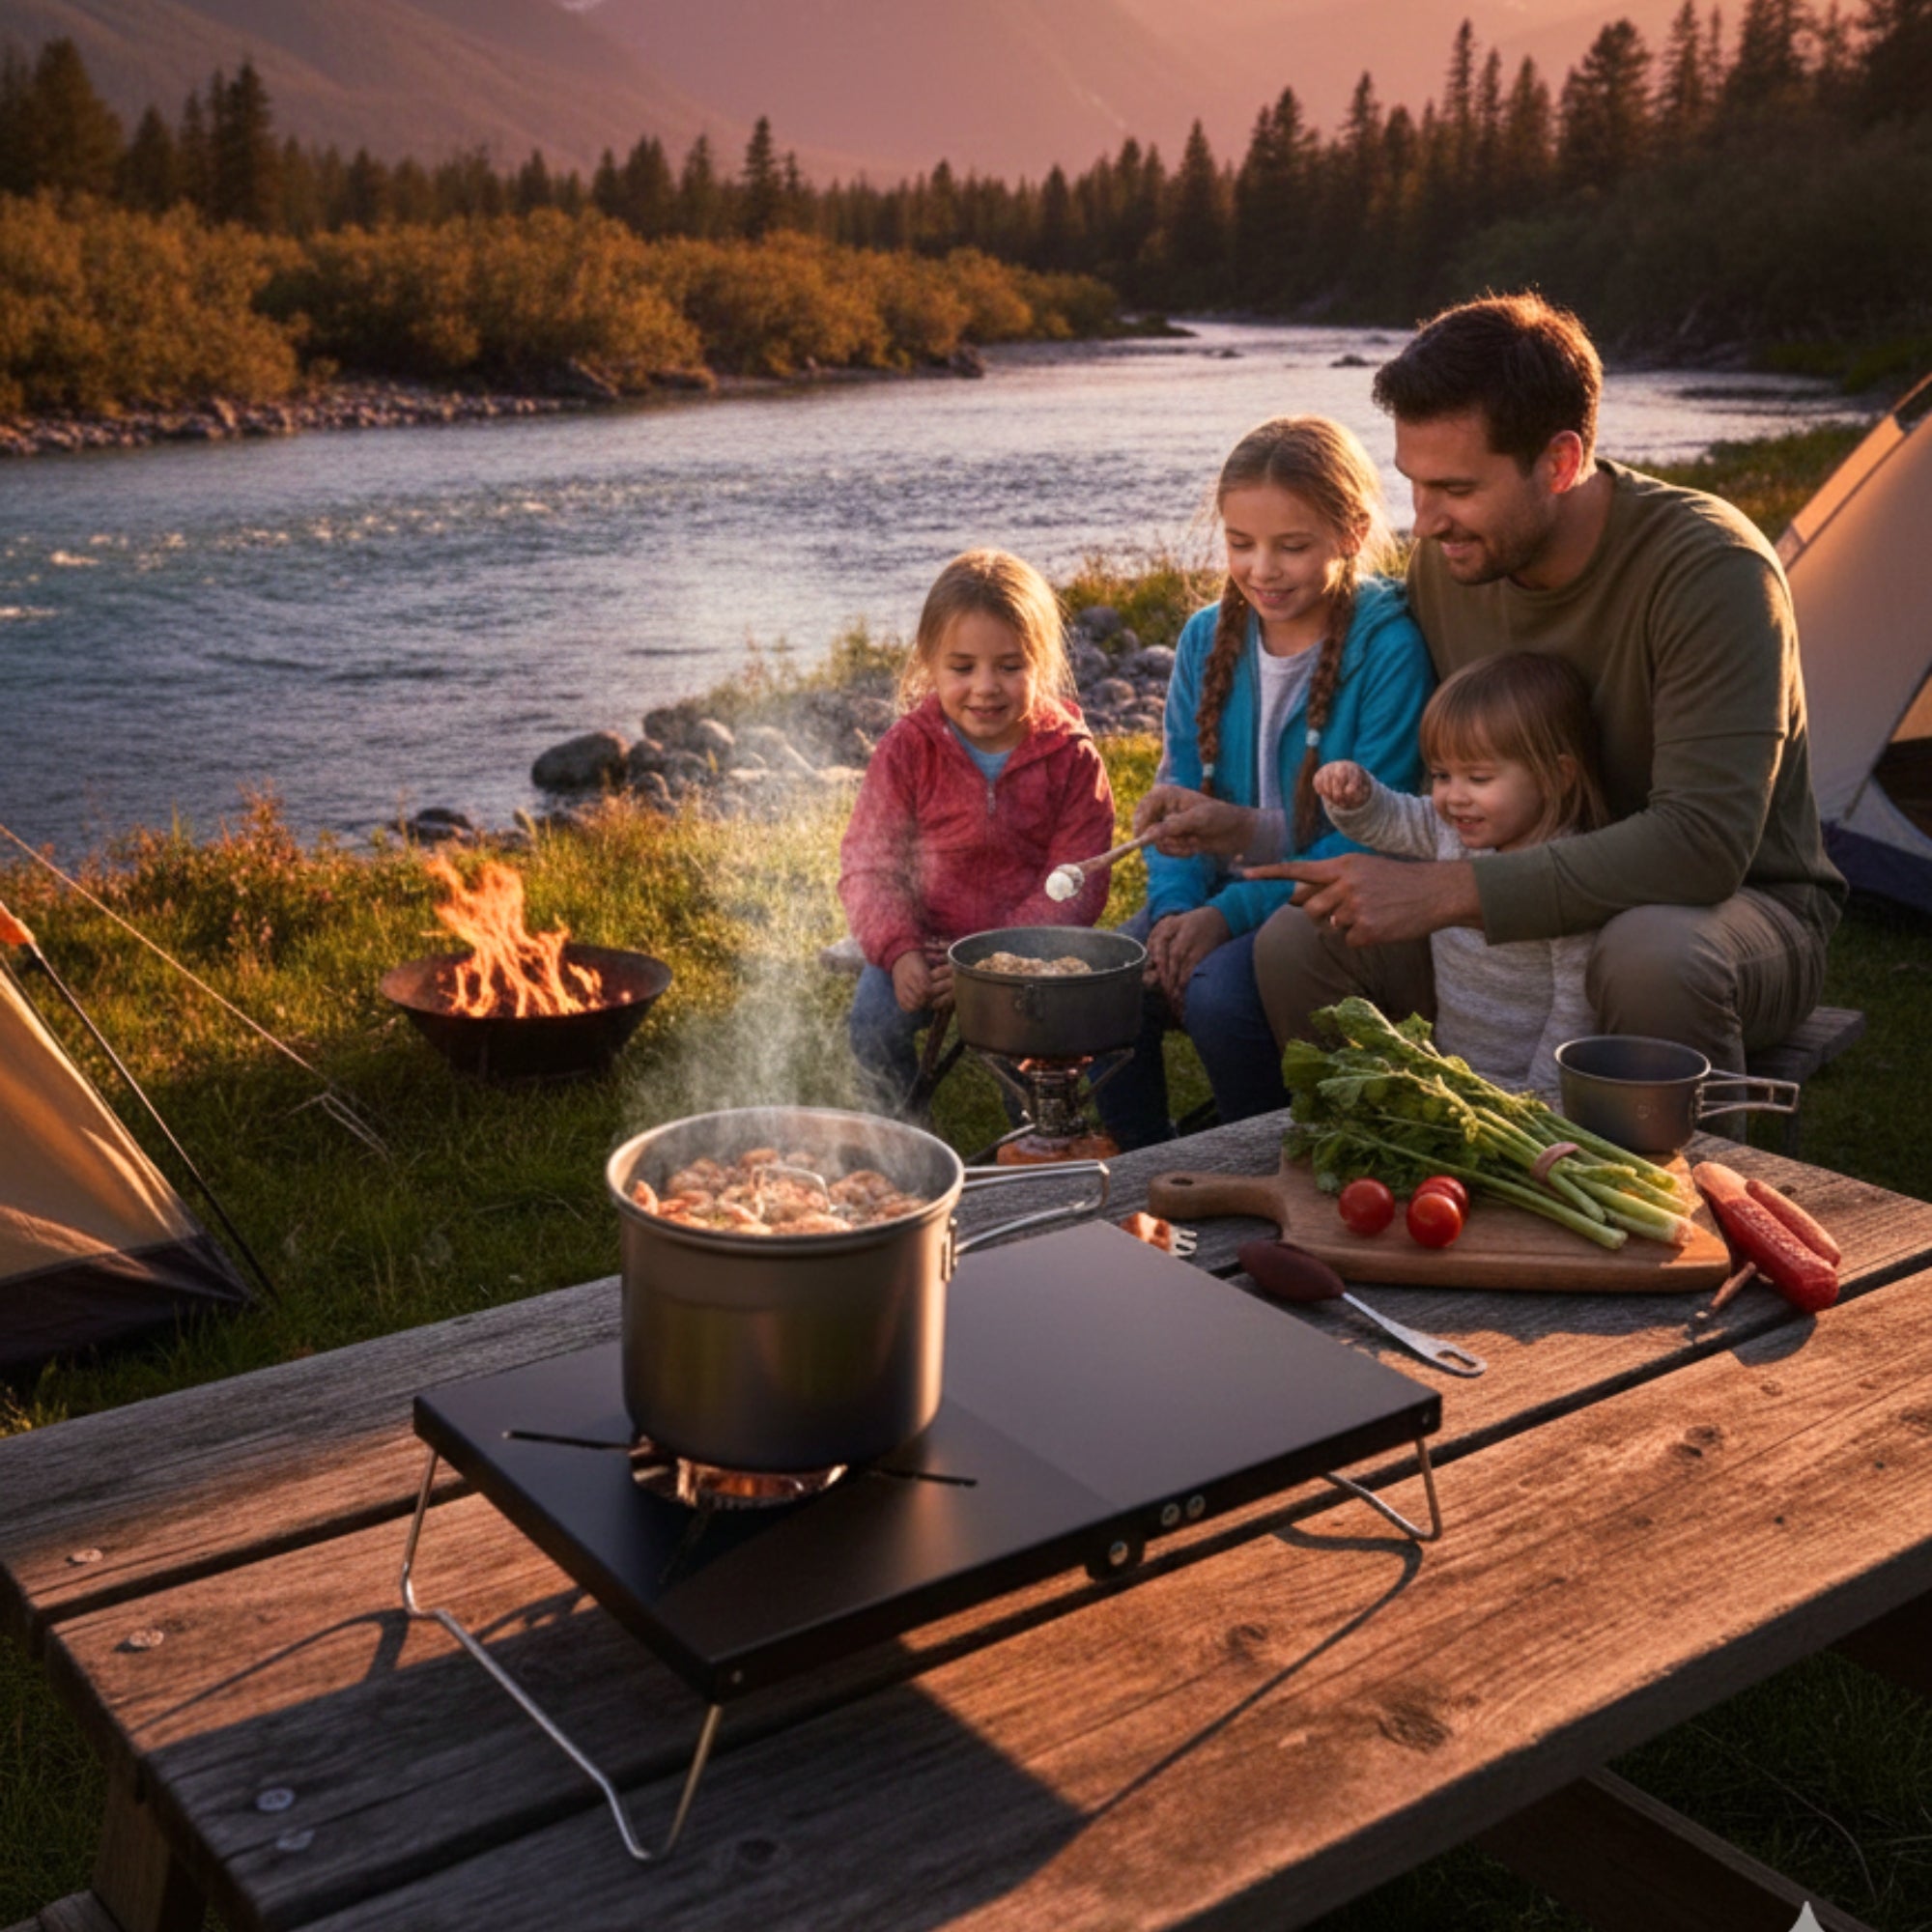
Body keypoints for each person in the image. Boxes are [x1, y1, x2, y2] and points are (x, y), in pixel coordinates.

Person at [1142, 294, 1845, 1078]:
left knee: (1649, 955)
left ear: (1561, 462)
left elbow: (1703, 848)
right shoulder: (1449, 567)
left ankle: (1677, 1195)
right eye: (1415, 483)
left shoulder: (1710, 573)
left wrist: (1450, 892)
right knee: (1302, 939)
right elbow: (1440, 781)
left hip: (1726, 909)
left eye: (1458, 489)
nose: (1424, 522)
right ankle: (1405, 1170)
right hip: (1519, 883)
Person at [1096, 415, 1435, 1149]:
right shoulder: (1204, 638)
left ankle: (1259, 1156)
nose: (1262, 570)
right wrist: (1172, 912)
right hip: (1210, 895)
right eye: (1241, 544)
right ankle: (1139, 1163)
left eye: (1291, 546)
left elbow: (1380, 839)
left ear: (1351, 532)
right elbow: (1175, 798)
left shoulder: (1390, 648)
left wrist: (1226, 916)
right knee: (1100, 987)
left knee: (1218, 996)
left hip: (1318, 904)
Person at [838, 548, 1116, 1115]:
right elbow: (868, 868)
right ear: (928, 664)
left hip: (1026, 956)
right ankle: (908, 1148)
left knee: (1035, 1072)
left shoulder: (1070, 757)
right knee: (871, 1025)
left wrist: (991, 962)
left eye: (1010, 667)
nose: (985, 687)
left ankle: (1036, 1147)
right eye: (962, 668)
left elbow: (1078, 884)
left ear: (1041, 662)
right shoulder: (907, 750)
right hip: (924, 944)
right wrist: (900, 951)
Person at [1315, 652, 1608, 1101]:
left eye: (1478, 777)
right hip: (1457, 1070)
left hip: (1529, 1091)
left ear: (1556, 775)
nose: (1454, 797)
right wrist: (1356, 797)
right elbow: (1389, 821)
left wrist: (1543, 1098)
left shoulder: (1564, 871)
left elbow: (1575, 1006)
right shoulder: (1450, 831)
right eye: (1441, 775)